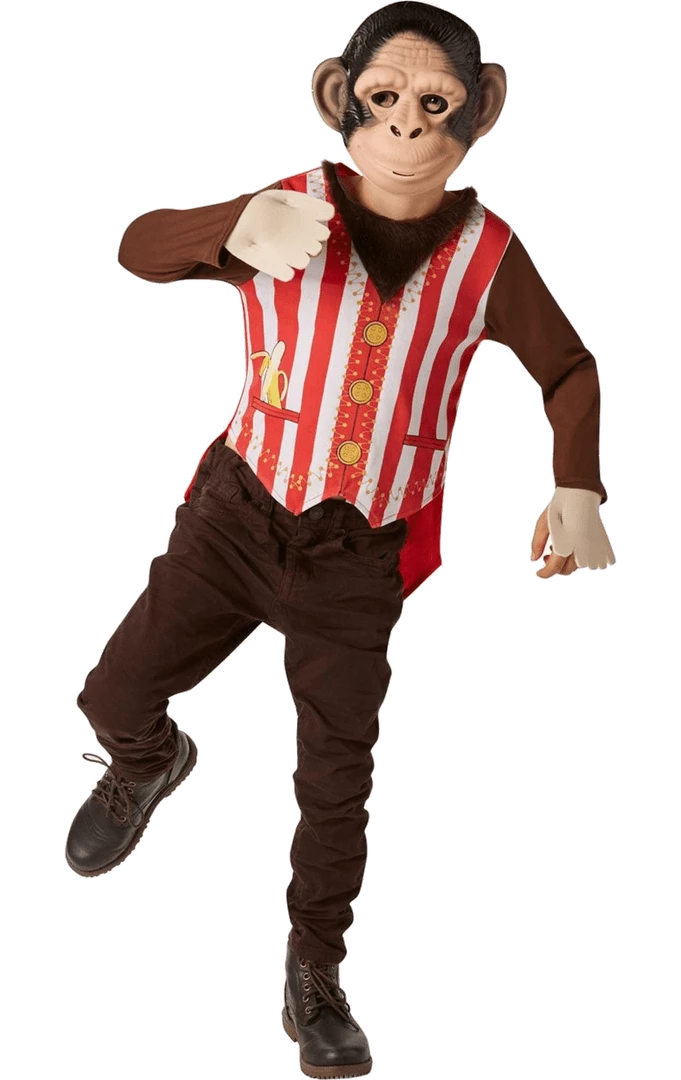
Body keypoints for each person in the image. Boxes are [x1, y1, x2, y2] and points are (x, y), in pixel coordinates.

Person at [68, 4, 613, 1077]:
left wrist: (576, 486)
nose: (406, 127)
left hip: (360, 558)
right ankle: (148, 758)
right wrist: (233, 224)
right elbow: (137, 250)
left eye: (434, 104)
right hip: (238, 519)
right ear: (338, 98)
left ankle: (313, 975)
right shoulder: (290, 209)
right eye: (384, 99)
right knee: (111, 693)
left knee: (334, 780)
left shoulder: (486, 256)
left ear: (478, 111)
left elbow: (567, 368)